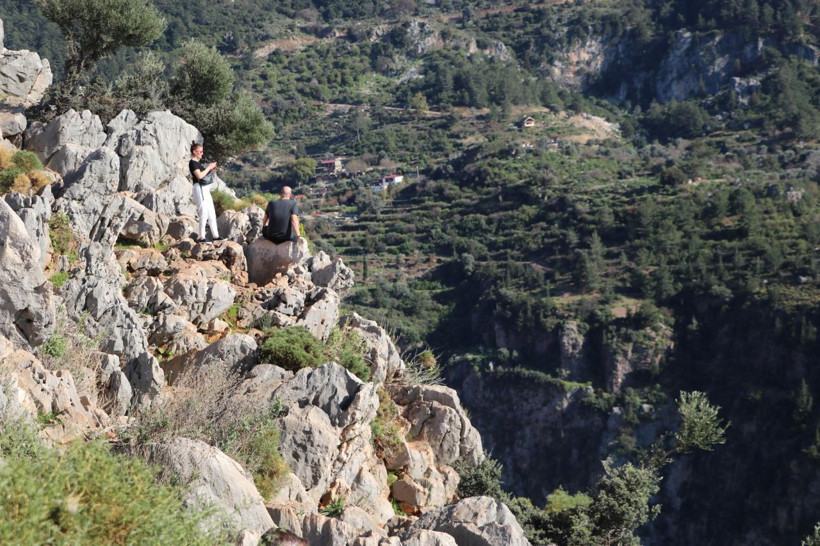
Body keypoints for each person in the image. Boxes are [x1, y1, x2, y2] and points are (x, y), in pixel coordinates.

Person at [189, 141, 223, 243]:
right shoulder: (192, 163)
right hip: (200, 189)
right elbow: (199, 176)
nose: (202, 153)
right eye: (200, 151)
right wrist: (208, 167)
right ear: (195, 152)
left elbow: (204, 174)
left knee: (211, 212)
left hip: (205, 189)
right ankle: (202, 237)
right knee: (203, 212)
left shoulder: (198, 163)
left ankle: (216, 236)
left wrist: (211, 169)